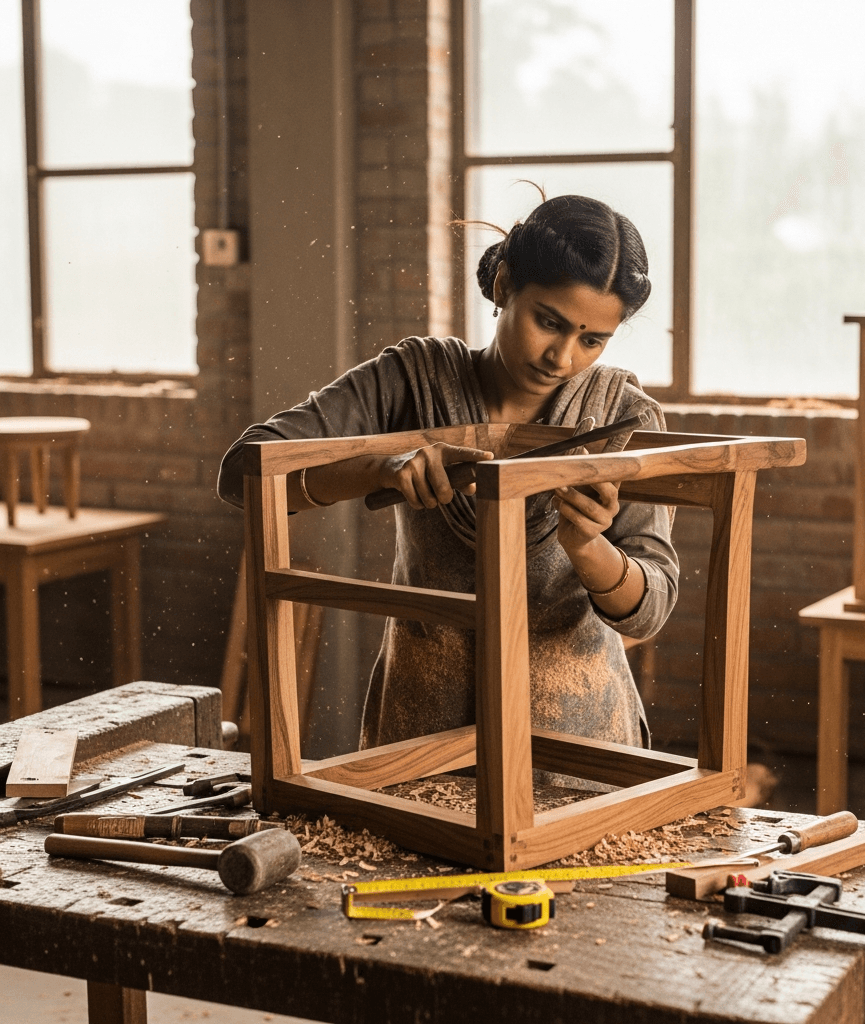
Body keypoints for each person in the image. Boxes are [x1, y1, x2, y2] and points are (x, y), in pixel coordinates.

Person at [218, 193, 679, 758]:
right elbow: (245, 470)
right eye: (548, 322)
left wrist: (587, 547)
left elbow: (651, 610)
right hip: (419, 734)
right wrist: (380, 468)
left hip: (579, 747)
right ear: (505, 285)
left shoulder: (621, 414)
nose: (561, 357)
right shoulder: (412, 379)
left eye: (591, 340)